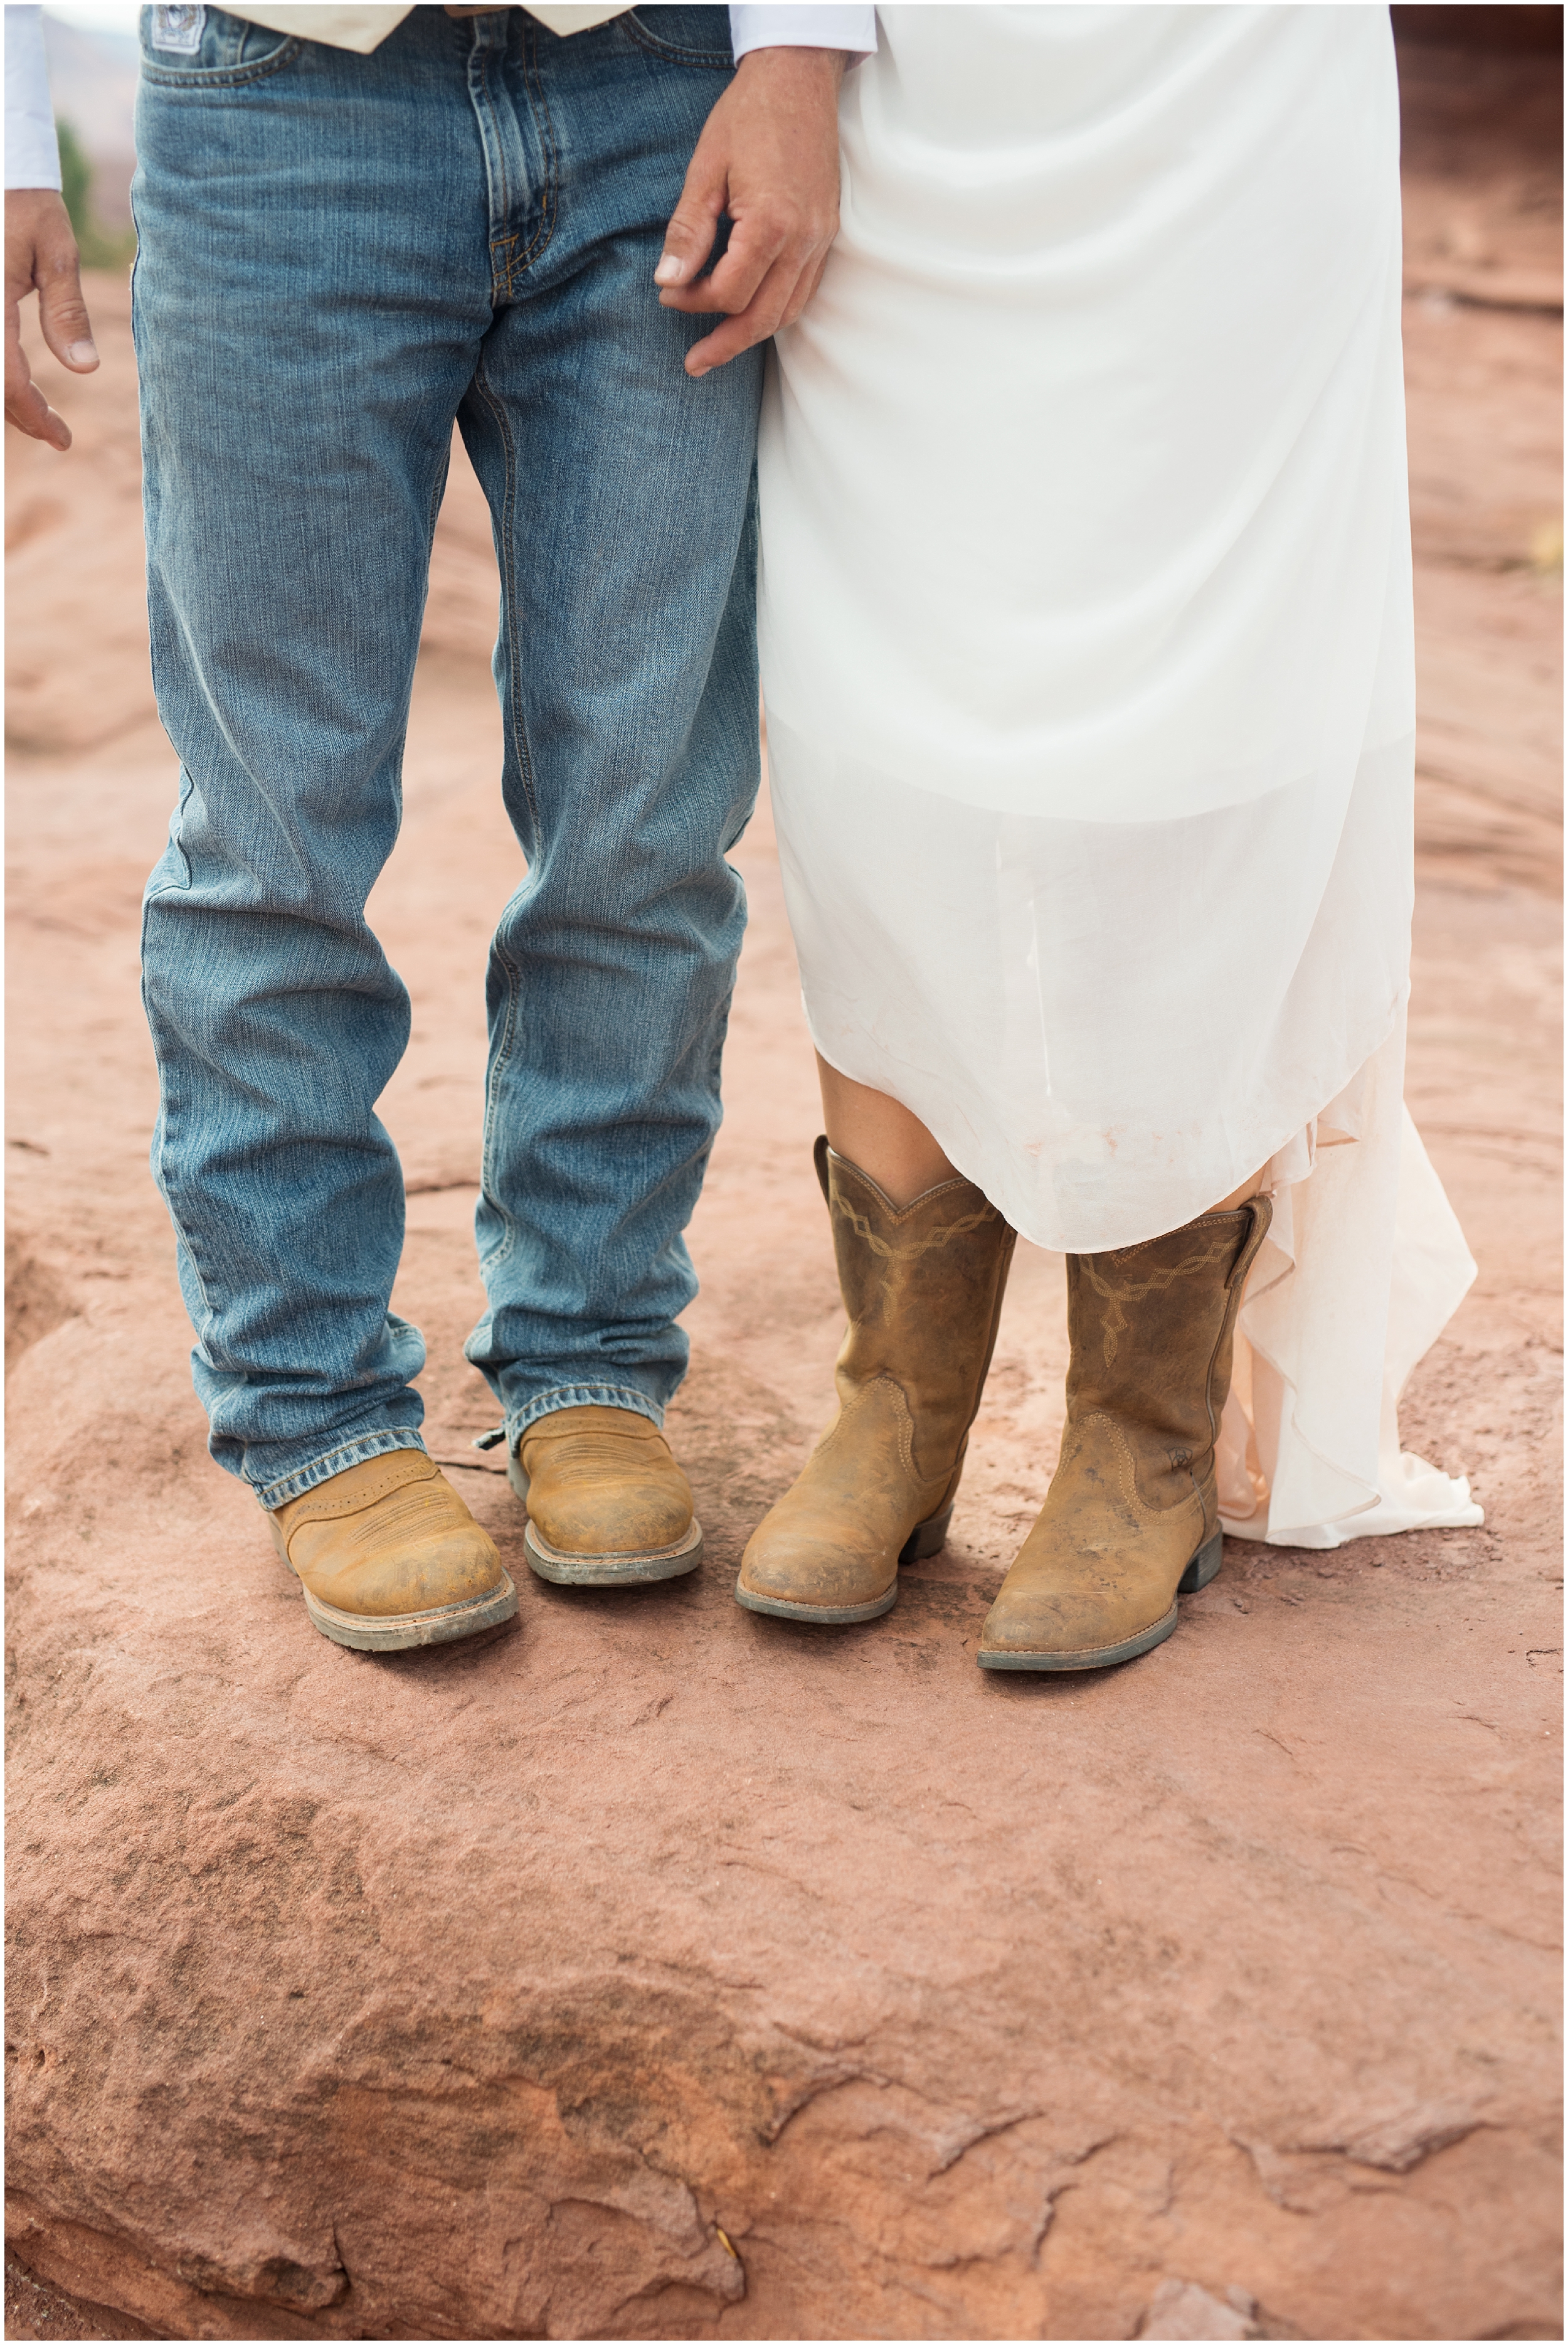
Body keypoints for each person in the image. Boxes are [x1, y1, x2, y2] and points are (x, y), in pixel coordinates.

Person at [4, 0, 871, 1652]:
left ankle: (592, 1352)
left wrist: (799, 52)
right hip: (279, 111)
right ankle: (312, 1398)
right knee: (278, 824)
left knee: (642, 807)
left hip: (656, 92)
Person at [736, 4, 1483, 1669]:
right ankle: (897, 1408)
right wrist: (781, 45)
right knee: (879, 729)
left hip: (1220, 114)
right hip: (903, 114)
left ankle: (1142, 1440)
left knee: (1192, 737)